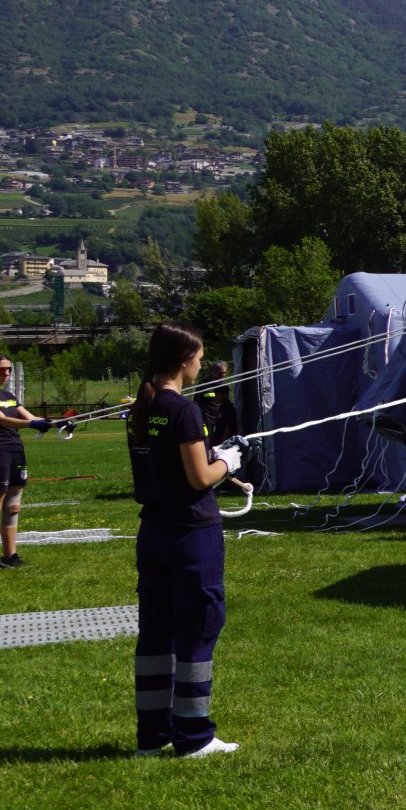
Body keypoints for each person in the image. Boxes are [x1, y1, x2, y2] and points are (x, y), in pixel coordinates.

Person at [125, 322, 251, 759]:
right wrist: (228, 461)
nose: (201, 365)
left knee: (156, 632)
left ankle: (153, 734)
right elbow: (199, 477)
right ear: (184, 361)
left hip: (155, 529)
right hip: (190, 533)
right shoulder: (183, 411)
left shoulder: (142, 407)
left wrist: (211, 458)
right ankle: (194, 736)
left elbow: (166, 466)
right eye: (198, 358)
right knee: (198, 627)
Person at [0, 352, 53, 570]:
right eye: (2, 369)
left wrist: (58, 423)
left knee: (14, 506)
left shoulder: (9, 396)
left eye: (8, 369)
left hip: (16, 450)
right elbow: (3, 420)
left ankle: (11, 554)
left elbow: (30, 417)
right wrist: (33, 425)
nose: (6, 373)